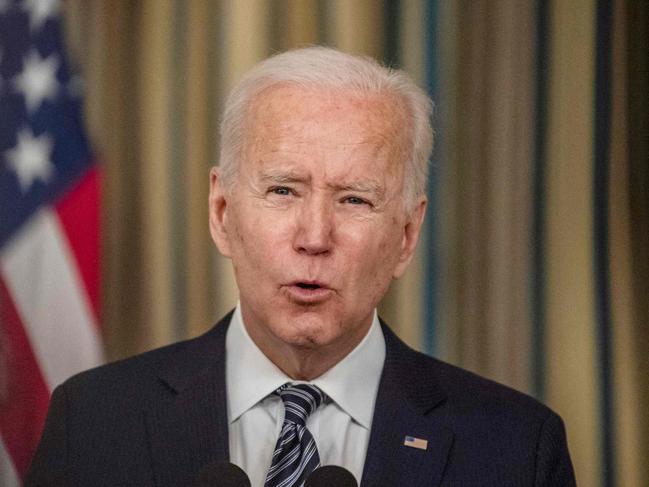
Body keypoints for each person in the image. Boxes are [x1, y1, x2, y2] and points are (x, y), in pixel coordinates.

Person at [27, 47, 575, 487]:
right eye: (283, 190)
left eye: (355, 199)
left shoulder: (515, 448)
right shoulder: (93, 422)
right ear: (222, 214)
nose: (315, 238)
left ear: (407, 235)